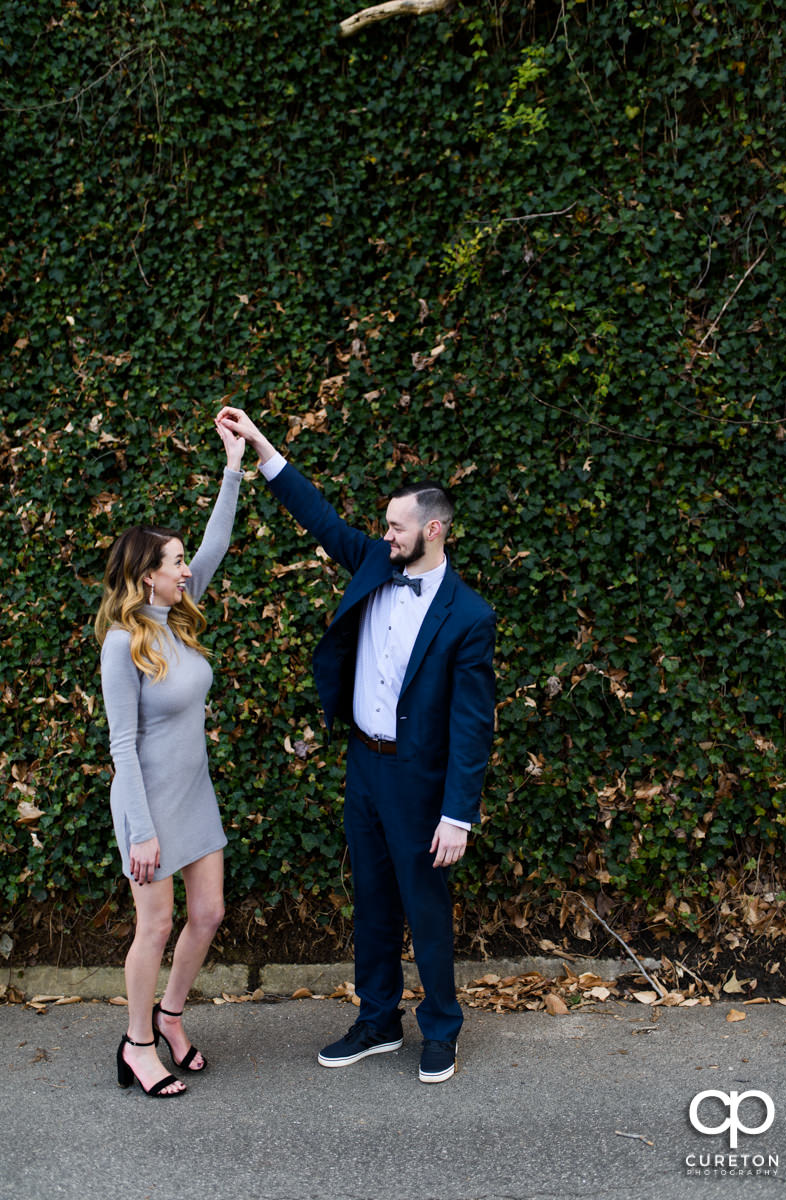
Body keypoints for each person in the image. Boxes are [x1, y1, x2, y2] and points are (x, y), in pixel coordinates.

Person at [217, 405, 496, 1084]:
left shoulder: (469, 615)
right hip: (362, 767)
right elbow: (320, 519)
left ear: (431, 530)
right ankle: (375, 1020)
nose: (384, 533)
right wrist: (262, 449)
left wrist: (457, 813)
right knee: (371, 900)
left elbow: (472, 723)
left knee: (424, 910)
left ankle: (441, 1029)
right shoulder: (374, 561)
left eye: (397, 525)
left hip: (419, 782)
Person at [95, 418, 246, 1097]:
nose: (188, 568)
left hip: (195, 792)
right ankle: (136, 1044)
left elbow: (217, 542)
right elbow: (121, 745)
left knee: (208, 914)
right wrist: (142, 829)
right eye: (176, 562)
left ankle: (172, 1016)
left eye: (185, 562)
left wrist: (233, 466)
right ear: (147, 577)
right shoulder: (122, 644)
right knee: (153, 924)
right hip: (146, 803)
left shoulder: (180, 614)